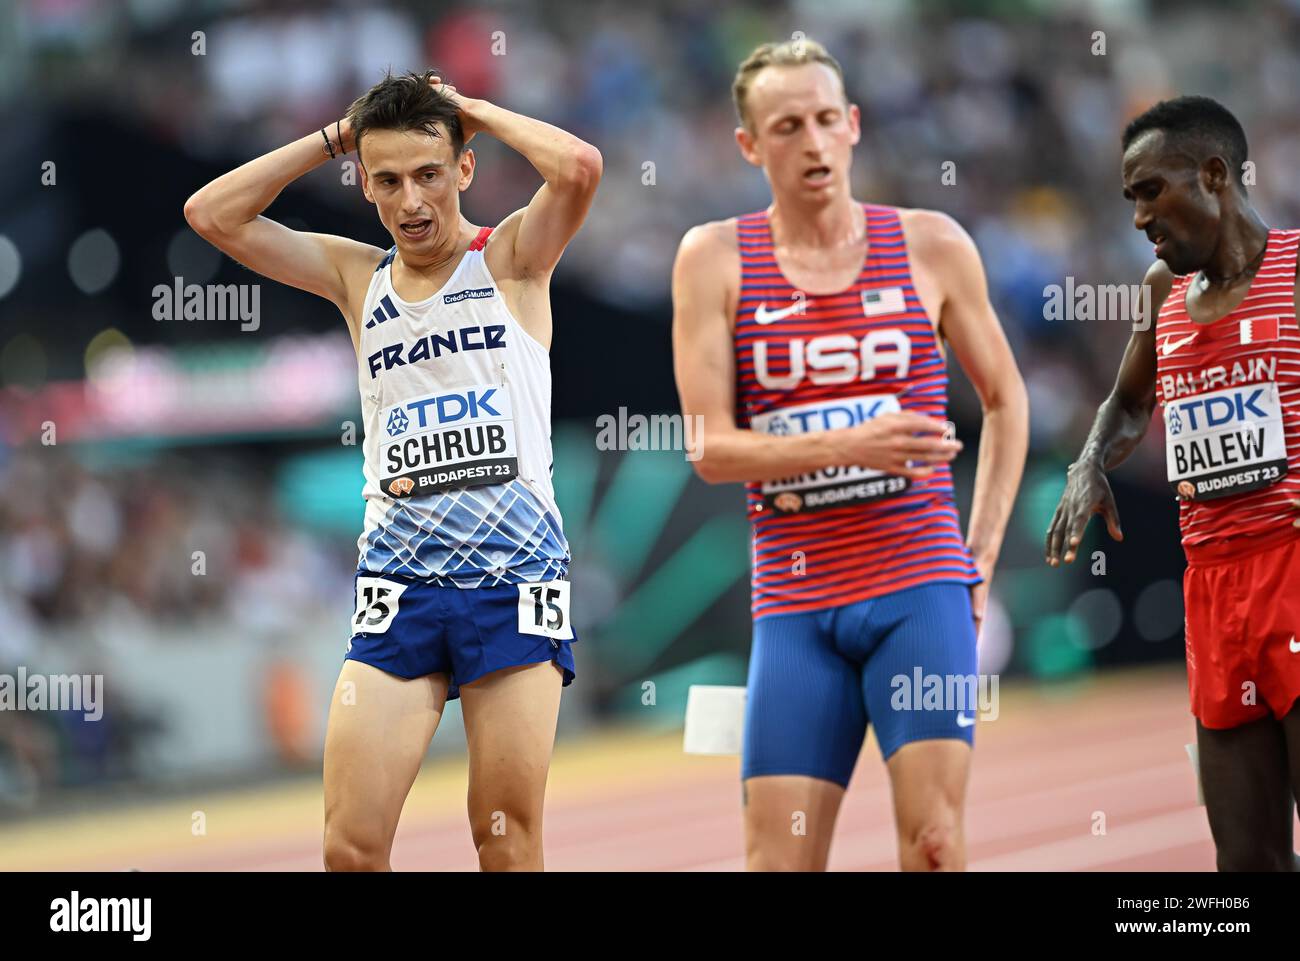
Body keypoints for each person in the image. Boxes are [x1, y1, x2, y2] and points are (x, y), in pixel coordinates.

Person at [184, 69, 601, 871]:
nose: (410, 202)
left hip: (514, 577)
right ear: (365, 184)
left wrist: (470, 110)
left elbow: (579, 168)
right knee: (350, 844)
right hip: (399, 583)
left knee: (506, 837)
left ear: (463, 170)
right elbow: (211, 214)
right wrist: (334, 137)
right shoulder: (356, 277)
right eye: (386, 181)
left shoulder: (512, 258)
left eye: (428, 175)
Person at [671, 39, 1028, 871]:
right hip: (796, 604)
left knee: (935, 844)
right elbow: (709, 450)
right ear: (749, 145)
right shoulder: (713, 258)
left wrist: (977, 556)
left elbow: (1009, 400)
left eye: (828, 120)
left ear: (855, 125)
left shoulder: (933, 244)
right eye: (788, 125)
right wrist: (851, 441)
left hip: (920, 584)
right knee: (777, 860)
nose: (814, 142)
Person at [1046, 95, 1300, 871]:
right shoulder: (1160, 292)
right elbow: (1127, 401)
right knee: (1244, 858)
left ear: (1214, 174)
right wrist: (1090, 461)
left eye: (1151, 190)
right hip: (1214, 594)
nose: (1138, 218)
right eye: (1130, 199)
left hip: (1293, 566)